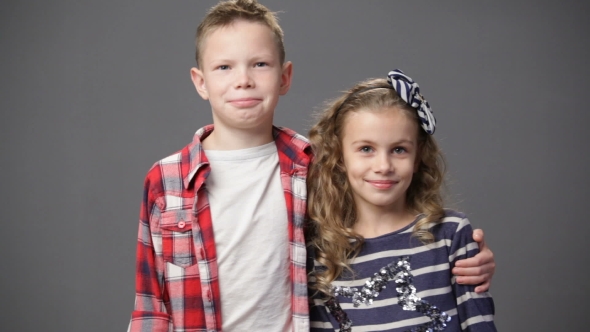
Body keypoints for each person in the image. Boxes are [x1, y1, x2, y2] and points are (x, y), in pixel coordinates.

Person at [127, 1, 495, 331]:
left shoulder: (312, 165)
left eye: (260, 64)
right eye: (224, 67)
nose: (243, 80)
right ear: (200, 82)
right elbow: (150, 305)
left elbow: (381, 217)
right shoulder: (167, 180)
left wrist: (463, 257)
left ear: (284, 76)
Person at [307, 70, 496, 331]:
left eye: (399, 150)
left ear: (417, 158)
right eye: (366, 149)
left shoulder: (450, 235)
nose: (383, 166)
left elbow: (479, 324)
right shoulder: (321, 251)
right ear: (340, 157)